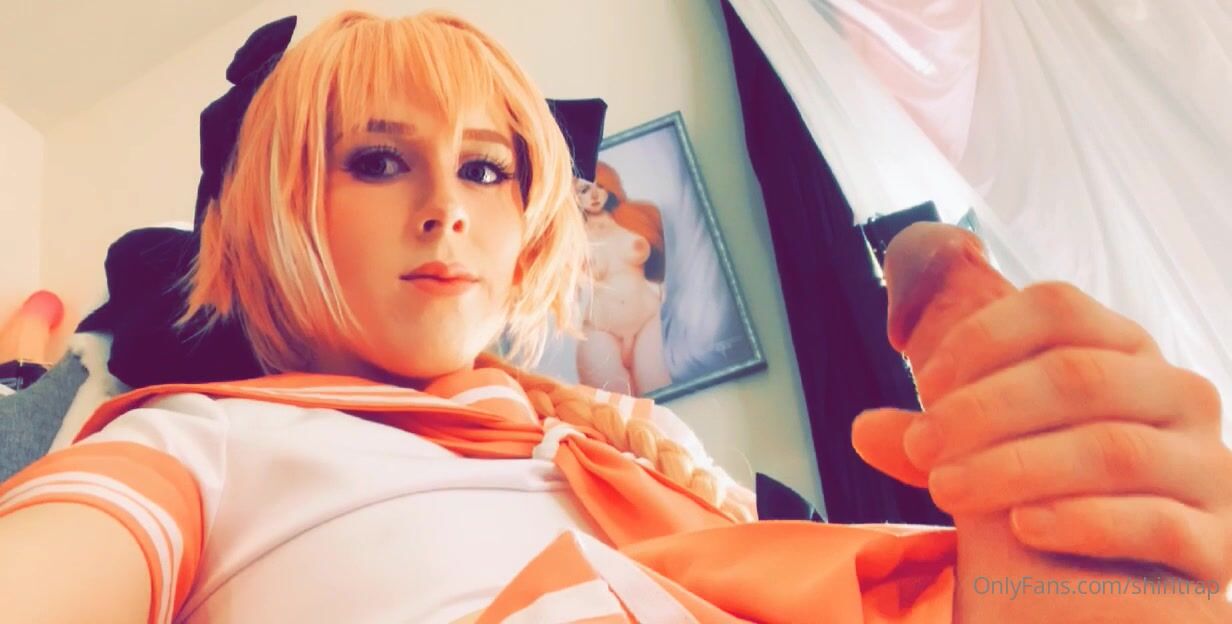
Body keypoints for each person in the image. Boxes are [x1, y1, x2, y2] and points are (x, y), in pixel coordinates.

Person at [0, 9, 1228, 624]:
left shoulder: (655, 460)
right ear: (270, 214)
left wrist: (1060, 553)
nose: (448, 209)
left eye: (487, 168)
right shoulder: (184, 447)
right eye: (375, 162)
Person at [575, 162, 672, 395]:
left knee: (657, 389)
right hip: (601, 330)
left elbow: (670, 261)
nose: (594, 195)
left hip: (648, 320)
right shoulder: (571, 237)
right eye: (585, 190)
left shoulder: (636, 217)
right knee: (617, 404)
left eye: (600, 186)